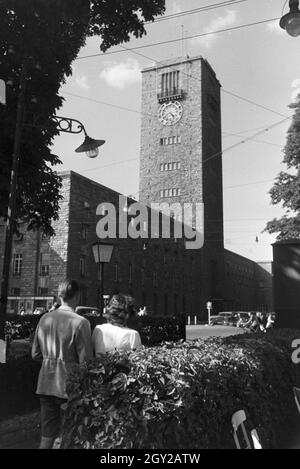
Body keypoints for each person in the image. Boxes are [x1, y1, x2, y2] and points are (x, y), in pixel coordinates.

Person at [32, 279, 93, 449]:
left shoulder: (44, 318)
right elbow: (86, 362)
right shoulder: (81, 322)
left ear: (59, 296)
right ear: (77, 296)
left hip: (45, 383)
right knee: (66, 436)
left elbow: (35, 354)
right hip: (69, 386)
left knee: (47, 435)